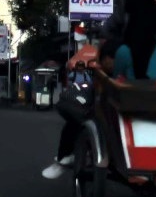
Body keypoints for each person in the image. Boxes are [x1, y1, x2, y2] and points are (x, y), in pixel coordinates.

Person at [42, 41, 119, 180]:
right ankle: (64, 157)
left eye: (82, 67)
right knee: (76, 116)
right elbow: (71, 83)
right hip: (82, 94)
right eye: (80, 67)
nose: (81, 68)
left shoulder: (91, 75)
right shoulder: (79, 75)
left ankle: (65, 156)